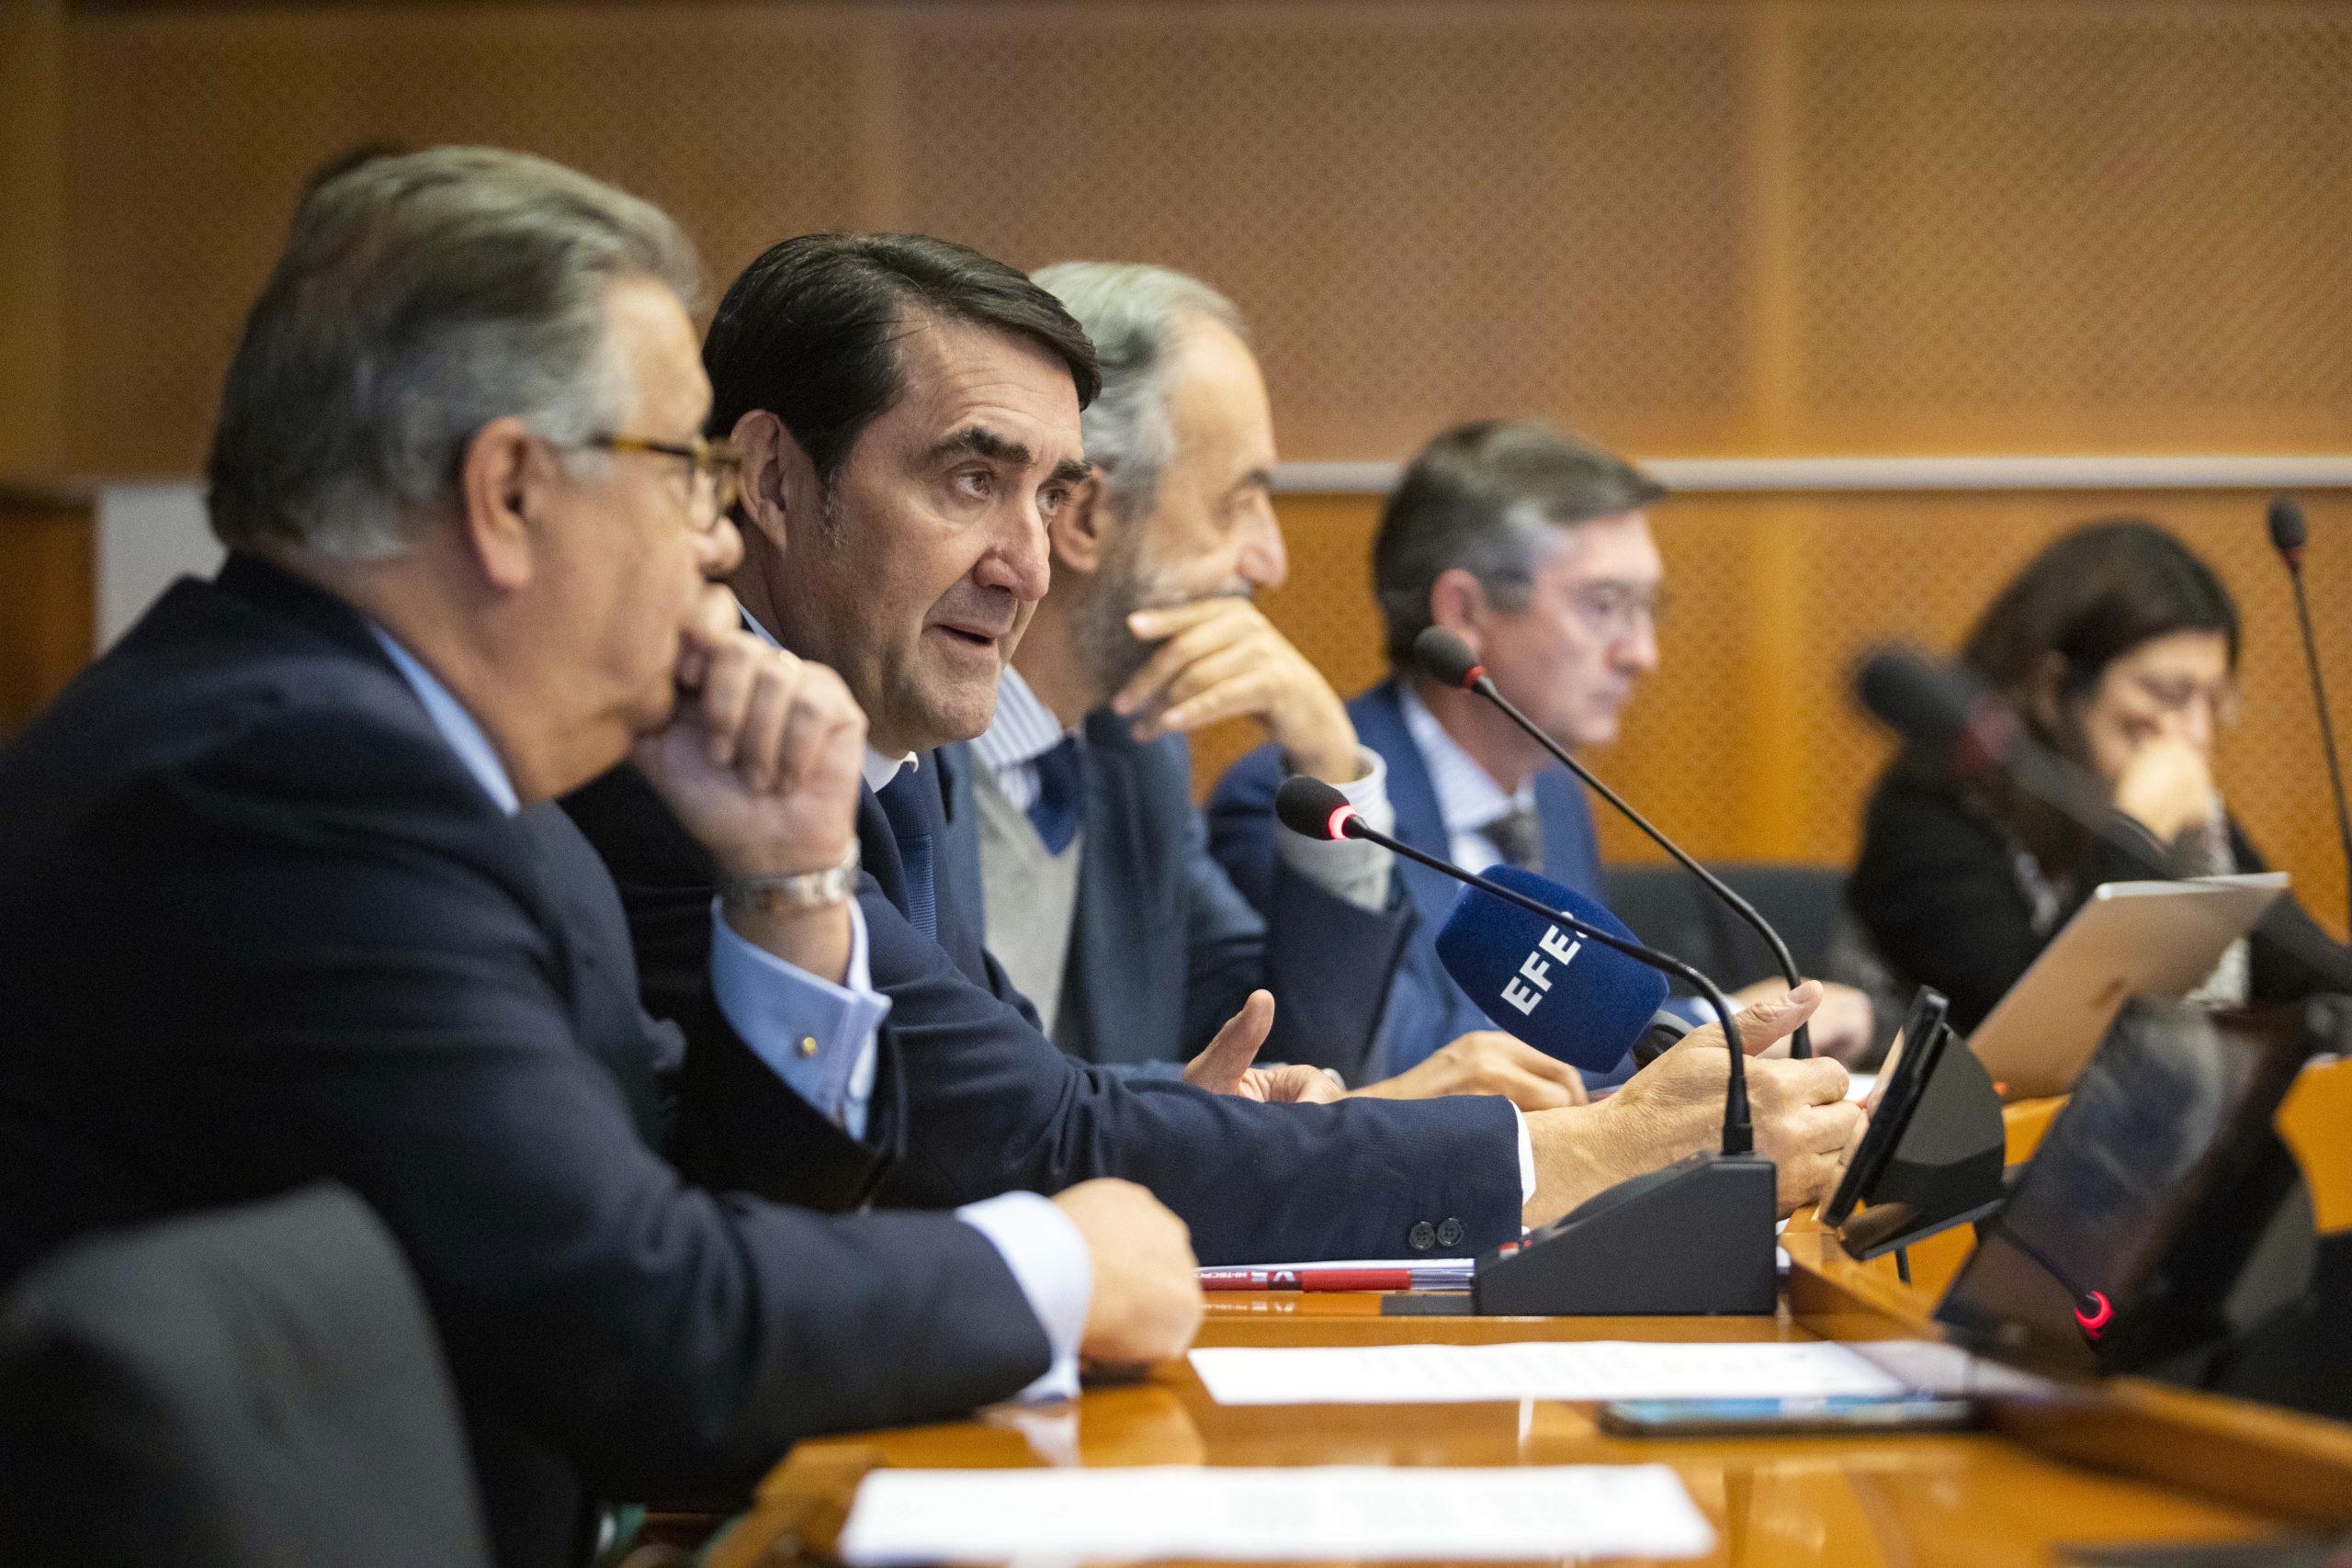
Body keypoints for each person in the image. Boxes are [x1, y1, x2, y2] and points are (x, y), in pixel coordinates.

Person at [0, 149, 1202, 1568]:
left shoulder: (466, 787)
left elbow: (695, 1224)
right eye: (684, 468)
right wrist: (1058, 1267)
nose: (714, 537)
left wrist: (787, 885)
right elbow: (653, 1335)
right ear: (508, 492)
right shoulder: (284, 783)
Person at [562, 232, 1864, 1266]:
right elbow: (1025, 1130)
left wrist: (1241, 1119)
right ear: (771, 481)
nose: (1024, 561)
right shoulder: (698, 762)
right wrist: (1588, 1152)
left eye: (1046, 492)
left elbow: (1049, 1093)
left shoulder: (917, 757)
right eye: (971, 480)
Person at [935, 259, 1587, 1108]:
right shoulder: (903, 760)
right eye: (1238, 501)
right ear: (1090, 517)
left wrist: (1329, 759)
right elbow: (970, 1101)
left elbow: (1288, 1049)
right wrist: (1369, 1111)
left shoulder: (1135, 757)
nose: (1271, 560)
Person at [1211, 420, 1878, 1082]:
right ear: (1465, 613)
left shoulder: (1552, 791)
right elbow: (1386, 1060)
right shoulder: (1306, 799)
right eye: (1604, 605)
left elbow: (1573, 1021)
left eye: (1647, 608)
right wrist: (1719, 1025)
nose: (1642, 654)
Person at [1847, 518, 2351, 1032]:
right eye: (2168, 695)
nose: (2197, 733)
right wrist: (2136, 832)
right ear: (2052, 689)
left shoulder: (2176, 814)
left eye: (2215, 700)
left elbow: (2312, 978)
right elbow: (2034, 1036)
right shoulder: (1928, 822)